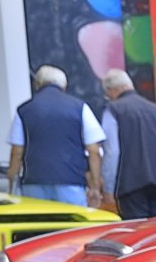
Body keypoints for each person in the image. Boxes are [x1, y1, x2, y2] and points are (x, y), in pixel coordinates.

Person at [6, 66, 105, 207]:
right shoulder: (80, 107)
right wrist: (95, 186)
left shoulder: (23, 110)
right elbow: (94, 150)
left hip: (34, 181)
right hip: (71, 181)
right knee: (73, 221)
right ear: (64, 86)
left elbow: (17, 152)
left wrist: (12, 185)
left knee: (40, 221)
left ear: (37, 84)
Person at [100, 69, 156, 220]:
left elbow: (112, 152)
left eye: (107, 94)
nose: (108, 98)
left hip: (130, 184)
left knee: (137, 228)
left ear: (112, 90)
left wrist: (109, 188)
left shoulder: (113, 110)